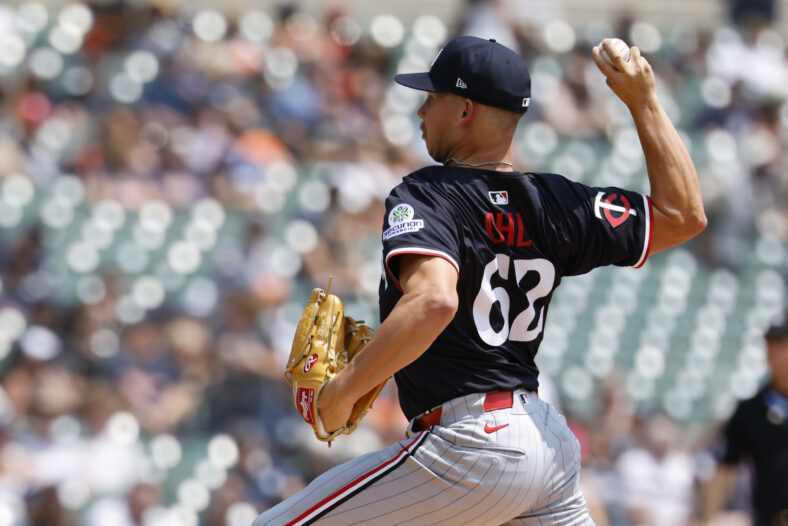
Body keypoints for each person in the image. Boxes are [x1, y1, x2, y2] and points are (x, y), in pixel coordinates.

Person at [254, 35, 706, 525]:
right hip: (545, 443)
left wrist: (342, 390)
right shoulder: (554, 201)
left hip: (470, 446)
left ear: (465, 110)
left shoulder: (428, 194)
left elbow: (434, 301)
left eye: (432, 98)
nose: (422, 111)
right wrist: (644, 102)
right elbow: (682, 215)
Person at [700, 312, 788, 526]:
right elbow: (725, 467)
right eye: (769, 343)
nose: (773, 351)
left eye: (781, 343)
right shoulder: (750, 410)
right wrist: (707, 518)